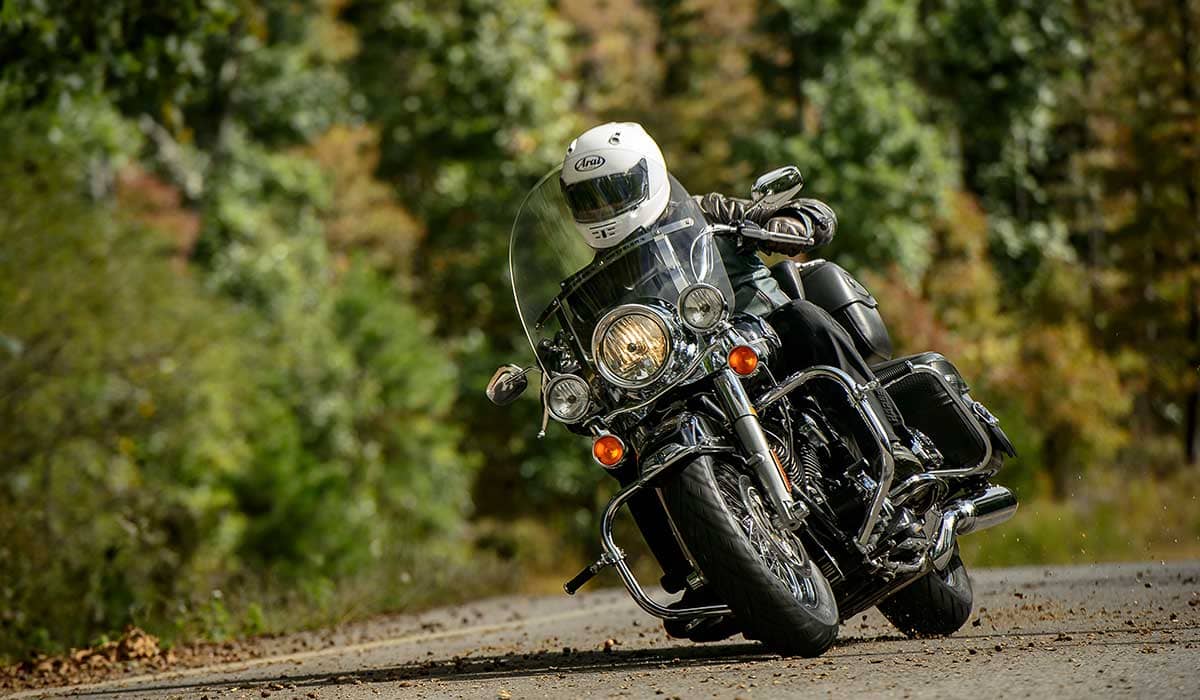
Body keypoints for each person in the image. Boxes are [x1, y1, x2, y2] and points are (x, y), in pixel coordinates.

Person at [558, 121, 918, 639]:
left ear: (650, 175)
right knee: (621, 445)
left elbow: (815, 216)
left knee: (804, 319)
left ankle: (892, 447)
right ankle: (693, 572)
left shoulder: (703, 213)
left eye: (615, 189)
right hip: (679, 383)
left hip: (756, 340)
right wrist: (574, 378)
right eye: (589, 198)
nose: (604, 207)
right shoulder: (593, 286)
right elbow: (593, 353)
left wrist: (791, 224)